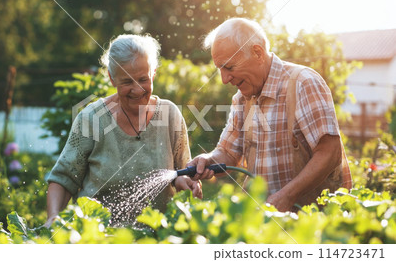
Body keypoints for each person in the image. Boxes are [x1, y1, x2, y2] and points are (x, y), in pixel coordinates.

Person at [188, 18, 352, 212]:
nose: (224, 79)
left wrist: (287, 196)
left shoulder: (302, 84)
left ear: (257, 53)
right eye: (220, 70)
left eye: (229, 67)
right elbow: (228, 153)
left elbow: (329, 152)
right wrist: (208, 160)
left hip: (313, 223)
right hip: (263, 222)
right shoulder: (241, 99)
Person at [45, 34, 201, 227]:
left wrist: (185, 181)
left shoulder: (170, 115)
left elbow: (182, 171)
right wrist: (53, 218)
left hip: (157, 237)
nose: (137, 90)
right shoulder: (92, 118)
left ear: (153, 73)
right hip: (98, 237)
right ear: (111, 79)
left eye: (143, 79)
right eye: (127, 82)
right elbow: (63, 179)